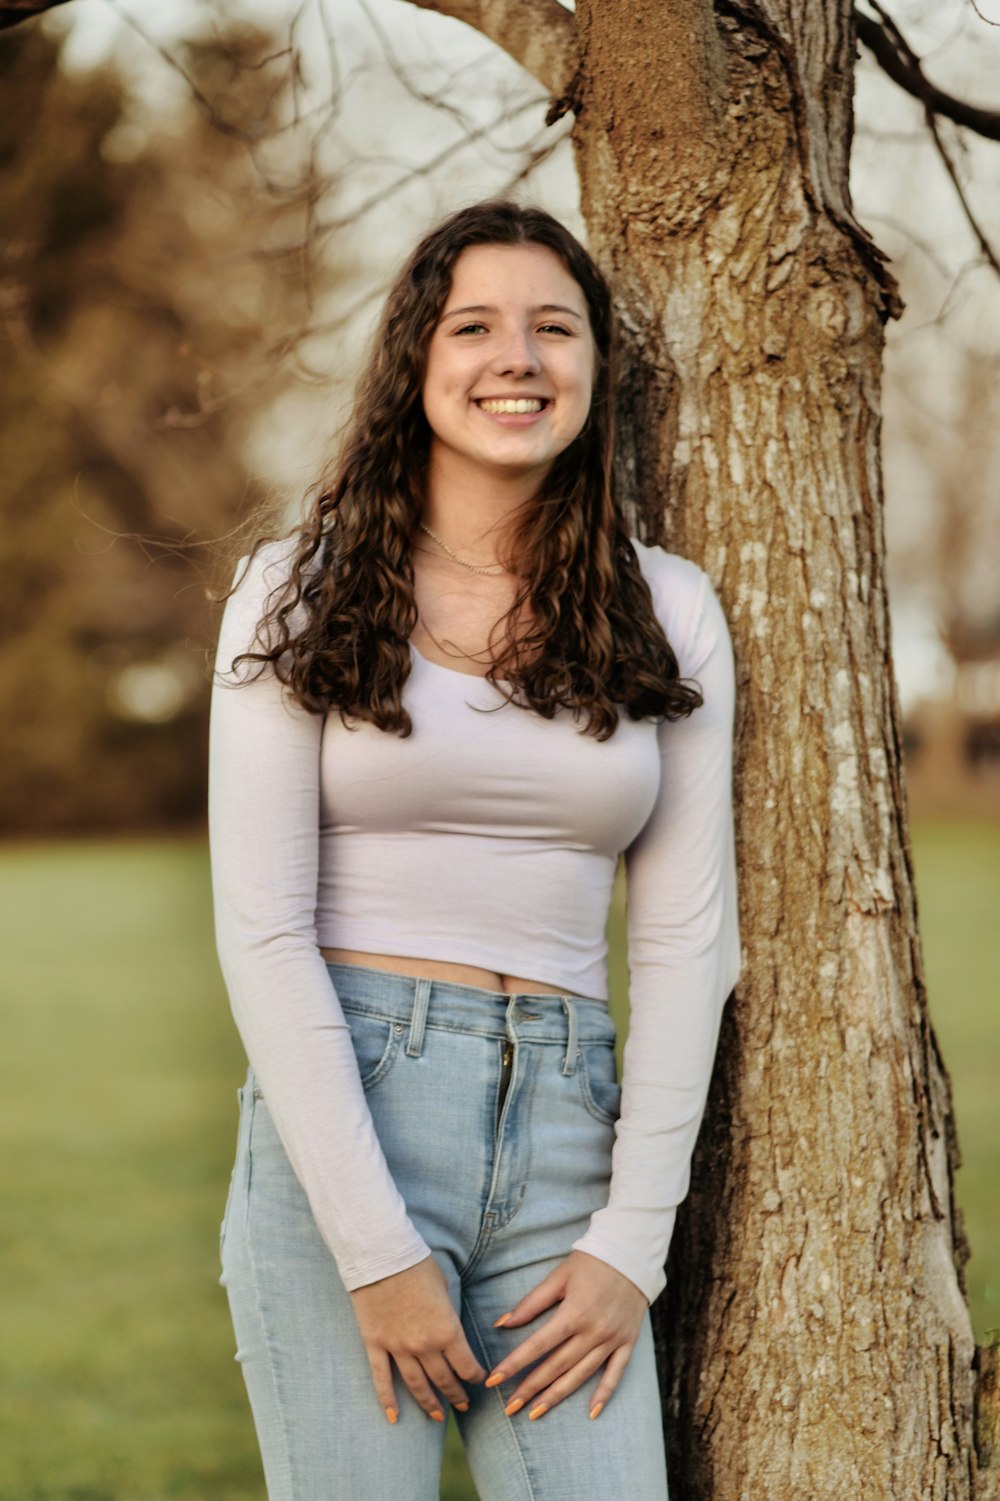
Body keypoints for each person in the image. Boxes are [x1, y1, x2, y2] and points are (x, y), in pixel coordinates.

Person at [208, 199, 740, 1501]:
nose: (519, 356)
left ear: (595, 373)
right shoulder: (299, 586)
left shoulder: (665, 605)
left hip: (570, 1131)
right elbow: (263, 929)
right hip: (355, 1118)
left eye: (555, 328)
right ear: (417, 362)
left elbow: (685, 939)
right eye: (477, 325)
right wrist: (372, 1246)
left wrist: (631, 1242)